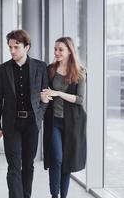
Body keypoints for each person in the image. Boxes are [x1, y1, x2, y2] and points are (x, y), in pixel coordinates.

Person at [0, 29, 48, 198]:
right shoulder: (3, 69)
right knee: (14, 166)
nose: (12, 51)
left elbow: (46, 96)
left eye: (16, 47)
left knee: (28, 164)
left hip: (32, 123)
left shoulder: (40, 67)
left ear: (27, 47)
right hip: (11, 123)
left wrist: (39, 115)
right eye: (10, 47)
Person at [40, 37, 87, 198]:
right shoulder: (50, 70)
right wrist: (44, 95)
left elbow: (80, 99)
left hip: (73, 123)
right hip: (53, 121)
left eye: (60, 49)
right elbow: (43, 92)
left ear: (69, 51)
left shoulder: (80, 72)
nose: (57, 52)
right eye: (55, 49)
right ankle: (54, 195)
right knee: (57, 159)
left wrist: (58, 93)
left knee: (67, 161)